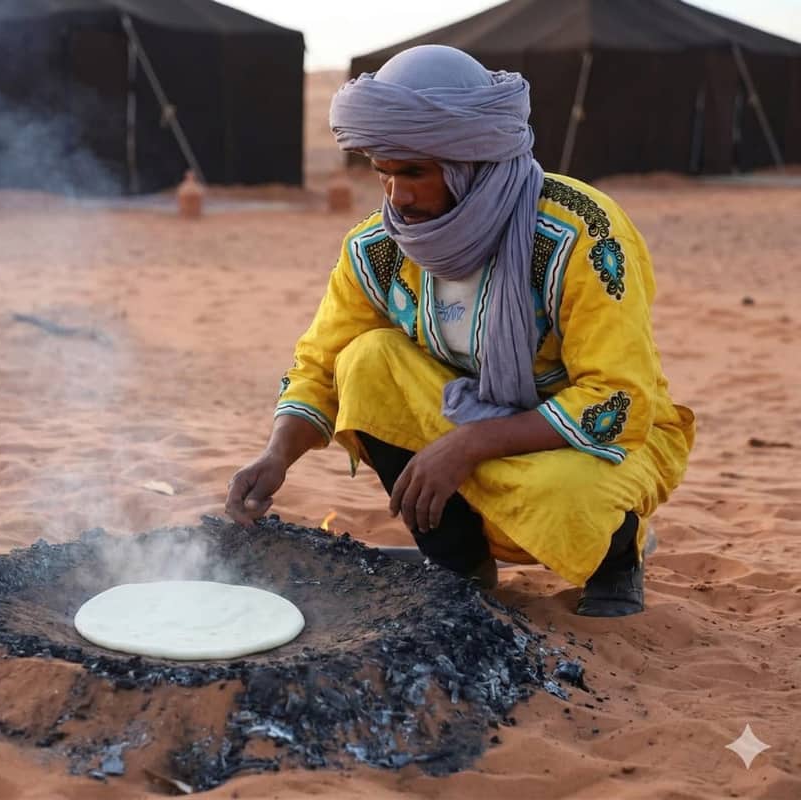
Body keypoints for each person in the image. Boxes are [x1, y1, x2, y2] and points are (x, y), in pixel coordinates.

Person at [224, 45, 694, 617]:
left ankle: (617, 558)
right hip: (461, 421)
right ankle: (459, 561)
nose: (397, 195)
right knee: (364, 360)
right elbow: (320, 363)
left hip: (590, 439)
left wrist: (470, 445)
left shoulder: (581, 234)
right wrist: (276, 456)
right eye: (383, 171)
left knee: (566, 500)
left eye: (415, 172)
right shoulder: (377, 248)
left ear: (471, 161)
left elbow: (617, 401)